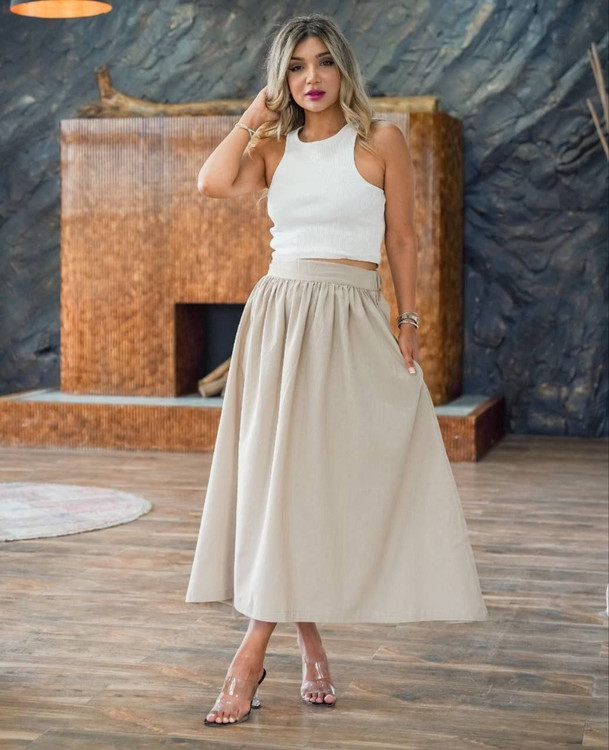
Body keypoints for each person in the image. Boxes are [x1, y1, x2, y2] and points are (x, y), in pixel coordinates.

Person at [185, 13, 488, 727]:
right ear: (280, 79)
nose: (311, 78)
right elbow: (211, 182)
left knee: (323, 481)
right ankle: (274, 649)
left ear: (344, 68)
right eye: (295, 67)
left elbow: (402, 239)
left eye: (322, 62)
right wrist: (252, 115)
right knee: (284, 482)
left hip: (352, 318)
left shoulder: (382, 140)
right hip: (279, 321)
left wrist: (408, 322)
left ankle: (273, 648)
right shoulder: (272, 148)